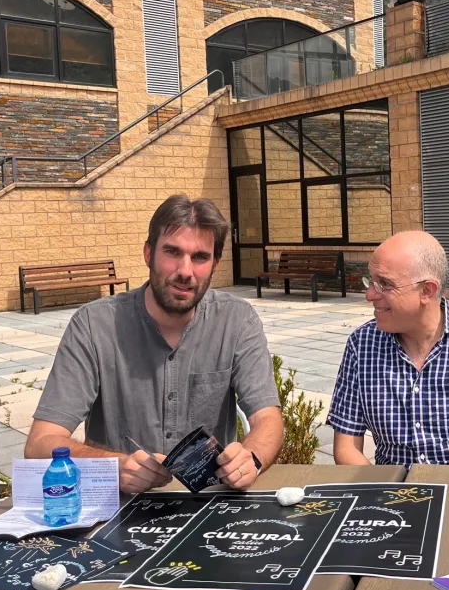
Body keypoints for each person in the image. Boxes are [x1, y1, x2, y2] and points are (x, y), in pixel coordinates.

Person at [25, 196, 283, 494]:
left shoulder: (237, 321)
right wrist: (113, 466)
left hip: (209, 505)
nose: (185, 271)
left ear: (215, 265)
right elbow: (41, 442)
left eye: (200, 257)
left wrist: (251, 458)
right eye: (172, 252)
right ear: (149, 253)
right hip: (121, 508)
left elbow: (267, 418)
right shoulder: (94, 326)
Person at [328, 231, 449, 468]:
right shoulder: (362, 346)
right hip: (392, 493)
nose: (370, 294)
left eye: (384, 284)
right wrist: (385, 495)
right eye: (371, 281)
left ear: (427, 291)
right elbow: (346, 448)